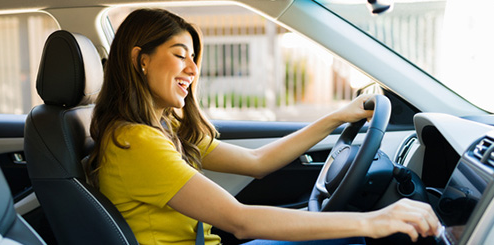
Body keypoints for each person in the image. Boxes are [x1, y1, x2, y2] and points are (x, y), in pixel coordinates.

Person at [85, 8, 441, 245]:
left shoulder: (161, 128)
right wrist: (374, 221)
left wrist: (336, 117)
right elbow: (239, 220)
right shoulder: (135, 140)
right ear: (140, 60)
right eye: (180, 55)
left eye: (194, 58)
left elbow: (257, 161)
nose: (193, 70)